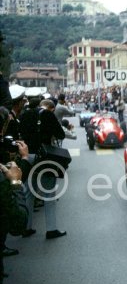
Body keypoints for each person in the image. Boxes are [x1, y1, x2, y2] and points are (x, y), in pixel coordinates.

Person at [35, 99, 66, 239]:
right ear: (51, 108)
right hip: (43, 155)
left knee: (28, 192)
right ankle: (51, 229)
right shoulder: (48, 114)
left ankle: (27, 227)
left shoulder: (25, 114)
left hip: (26, 155)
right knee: (49, 193)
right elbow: (61, 134)